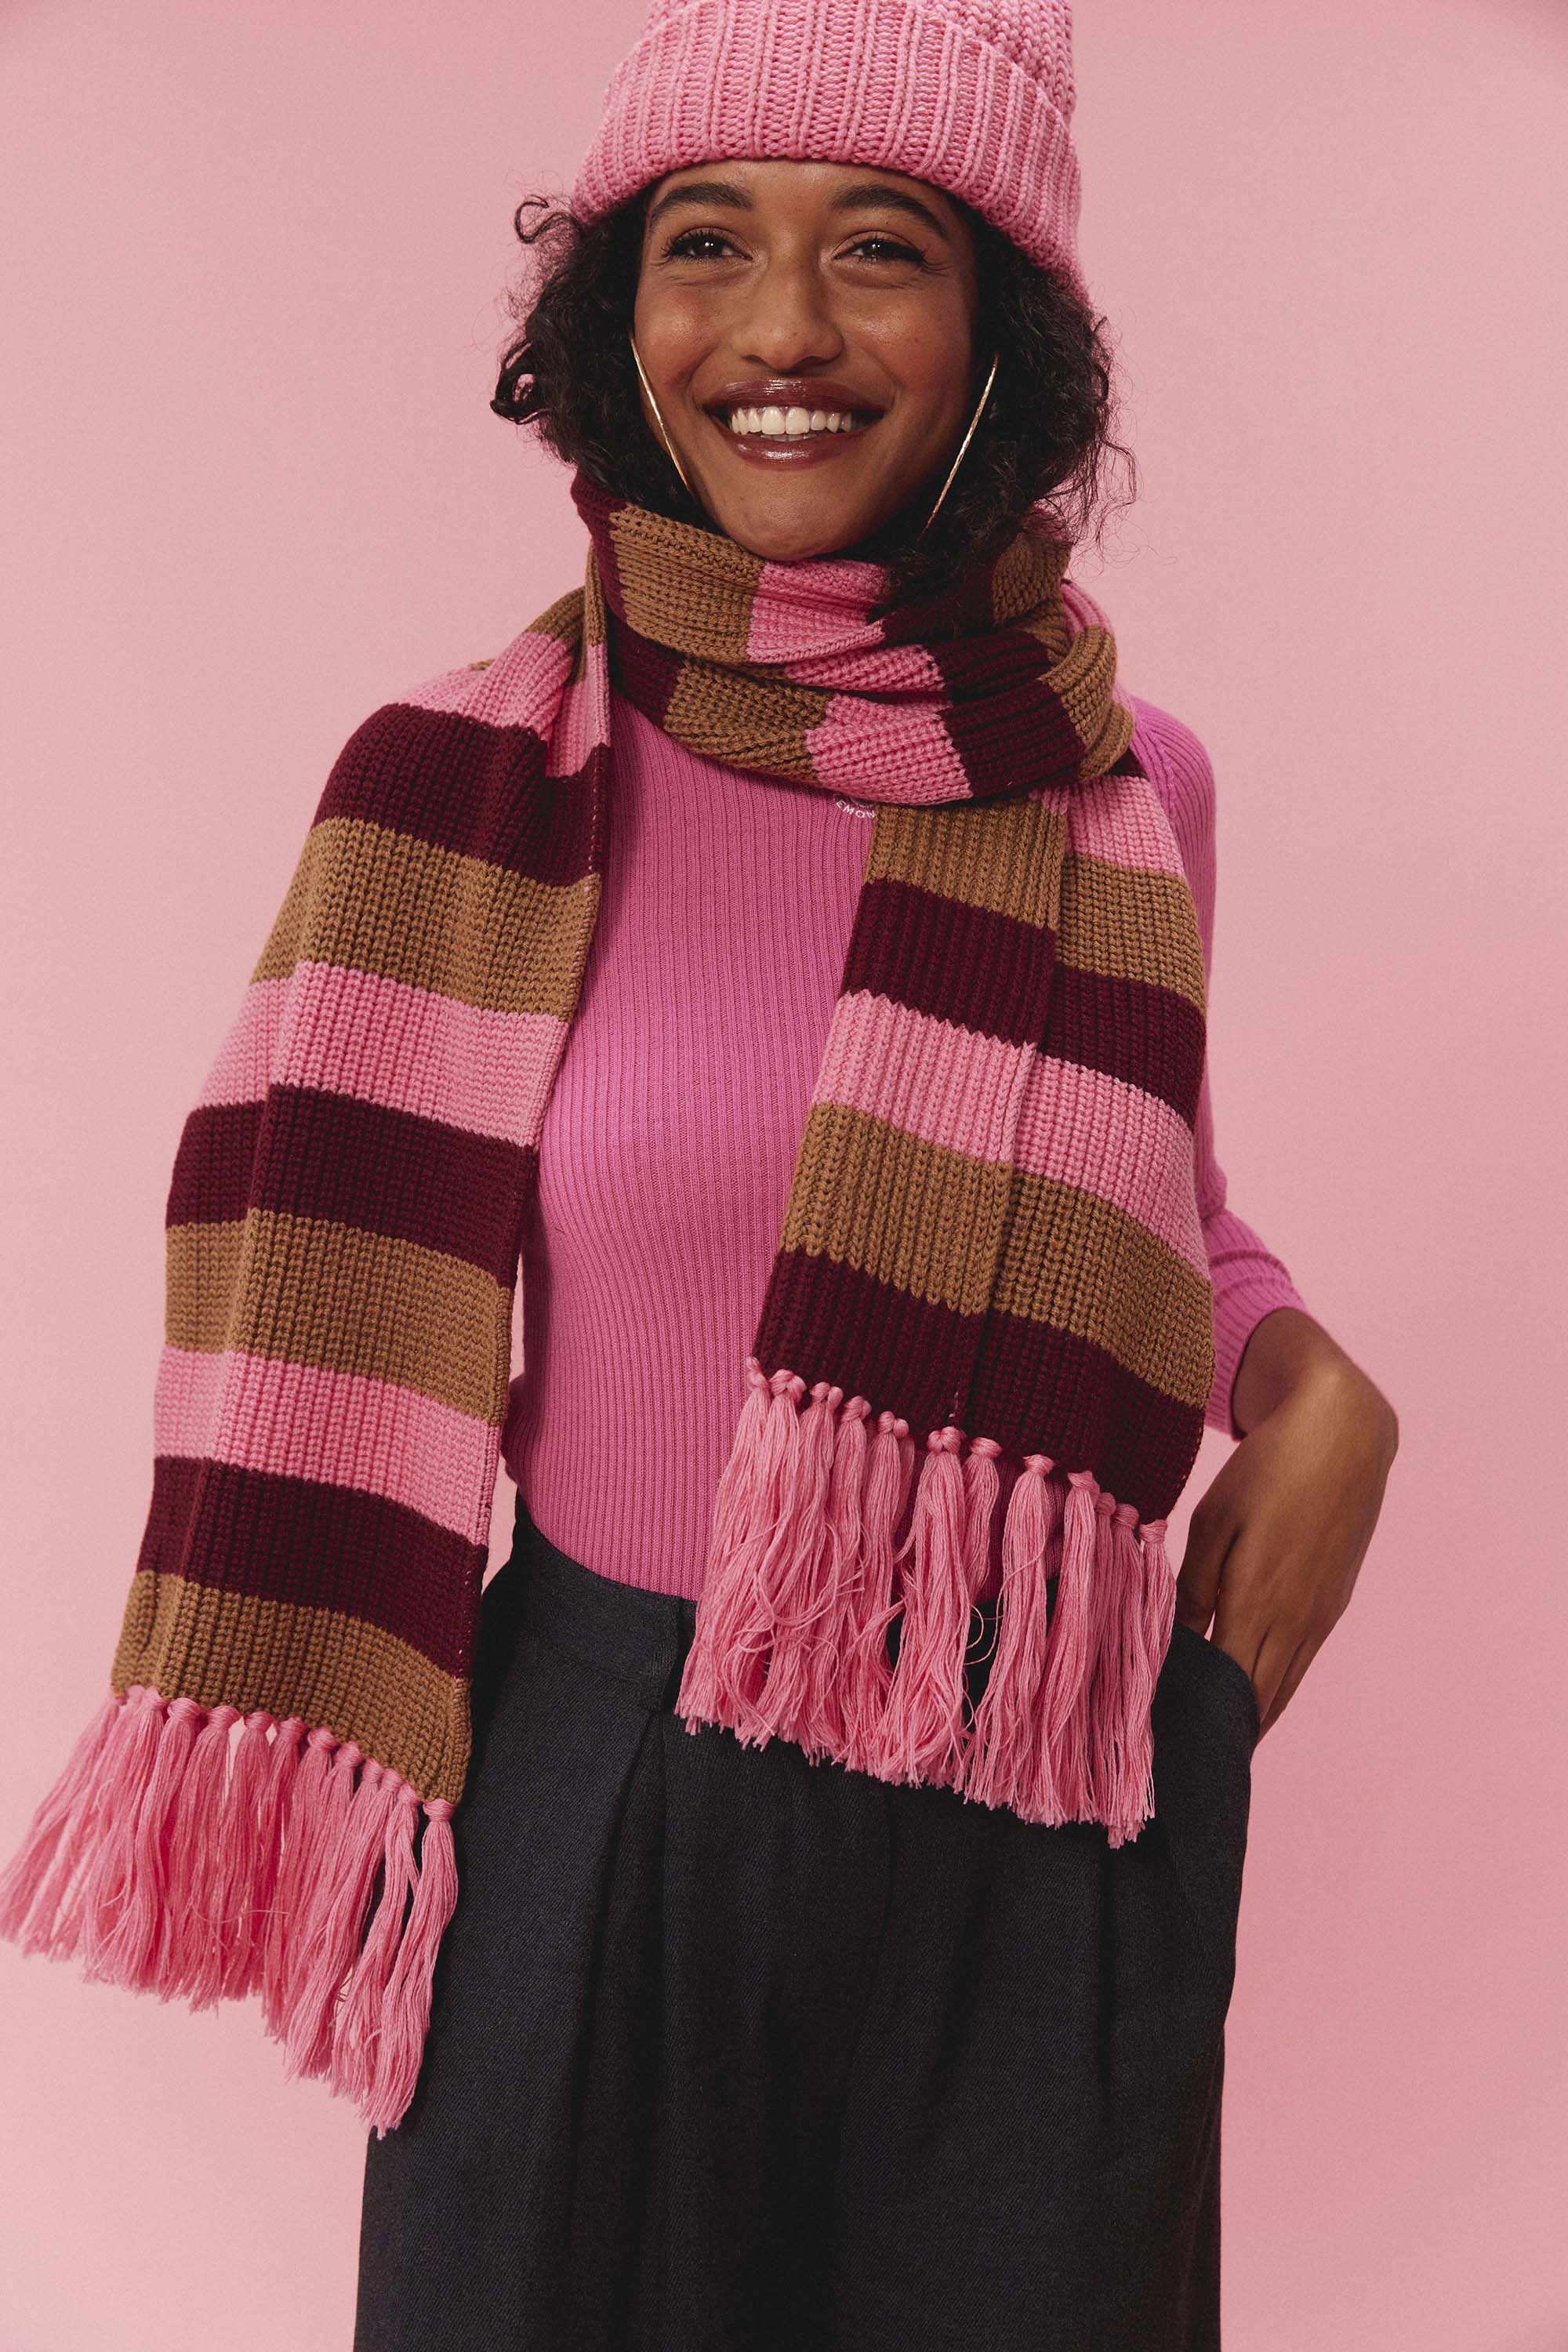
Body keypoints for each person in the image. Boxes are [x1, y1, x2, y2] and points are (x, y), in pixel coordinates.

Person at [0, 3, 1399, 2347]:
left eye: (883, 247)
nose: (783, 328)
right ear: (612, 313)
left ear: (1004, 328)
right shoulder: (471, 788)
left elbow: (1148, 1197)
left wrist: (1309, 1380)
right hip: (601, 1774)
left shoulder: (1123, 779)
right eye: (706, 242)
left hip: (1023, 1772)